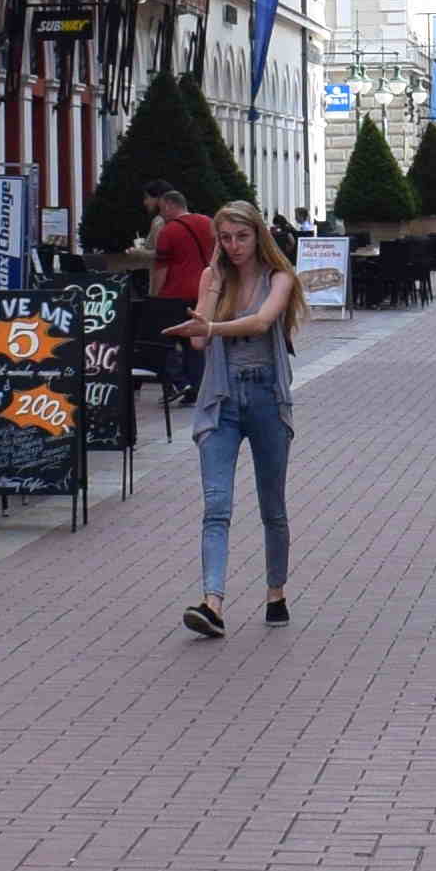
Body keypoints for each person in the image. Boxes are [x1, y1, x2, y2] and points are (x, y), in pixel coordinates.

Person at [183, 201, 305, 639]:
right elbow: (198, 343)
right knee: (216, 506)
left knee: (272, 505)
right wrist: (212, 288)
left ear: (258, 236)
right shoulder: (212, 277)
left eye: (241, 237)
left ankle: (276, 593)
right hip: (222, 400)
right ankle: (212, 603)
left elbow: (260, 322)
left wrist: (211, 328)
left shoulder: (280, 278)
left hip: (267, 399)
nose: (233, 246)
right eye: (225, 238)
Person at [145, 194, 218, 411]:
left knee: (164, 340)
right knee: (195, 342)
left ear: (169, 204)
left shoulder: (169, 231)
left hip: (174, 294)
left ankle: (180, 381)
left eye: (161, 209)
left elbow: (162, 268)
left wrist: (154, 296)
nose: (161, 214)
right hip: (203, 292)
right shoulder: (208, 223)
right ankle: (195, 387)